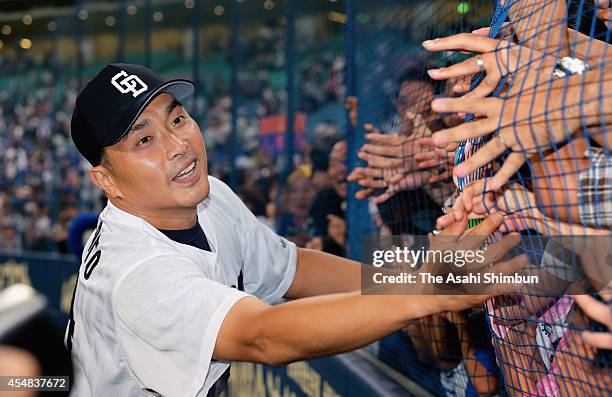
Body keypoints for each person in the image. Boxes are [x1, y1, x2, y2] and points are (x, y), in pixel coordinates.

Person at [65, 63, 525, 396]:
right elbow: (263, 335)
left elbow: (296, 268)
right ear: (105, 180)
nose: (179, 145)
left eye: (178, 119)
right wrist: (424, 291)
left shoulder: (210, 196)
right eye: (144, 140)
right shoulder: (138, 274)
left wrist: (417, 272)